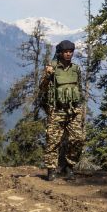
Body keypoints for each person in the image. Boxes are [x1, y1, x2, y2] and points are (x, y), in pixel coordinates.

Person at [38, 40, 85, 181]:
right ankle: (51, 169)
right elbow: (42, 87)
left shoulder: (76, 69)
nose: (68, 54)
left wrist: (79, 108)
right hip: (56, 110)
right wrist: (47, 75)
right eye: (65, 52)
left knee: (78, 139)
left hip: (73, 110)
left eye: (70, 52)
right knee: (53, 141)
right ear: (60, 53)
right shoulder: (52, 69)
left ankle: (69, 167)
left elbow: (79, 87)